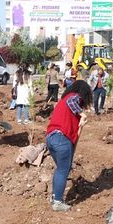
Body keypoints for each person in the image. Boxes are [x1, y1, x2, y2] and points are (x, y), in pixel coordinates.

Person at [45, 80, 93, 212]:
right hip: (61, 139)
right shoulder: (73, 98)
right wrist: (83, 114)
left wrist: (81, 123)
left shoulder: (63, 102)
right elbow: (72, 102)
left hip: (51, 138)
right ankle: (58, 202)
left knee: (61, 169)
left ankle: (55, 197)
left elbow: (75, 133)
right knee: (62, 170)